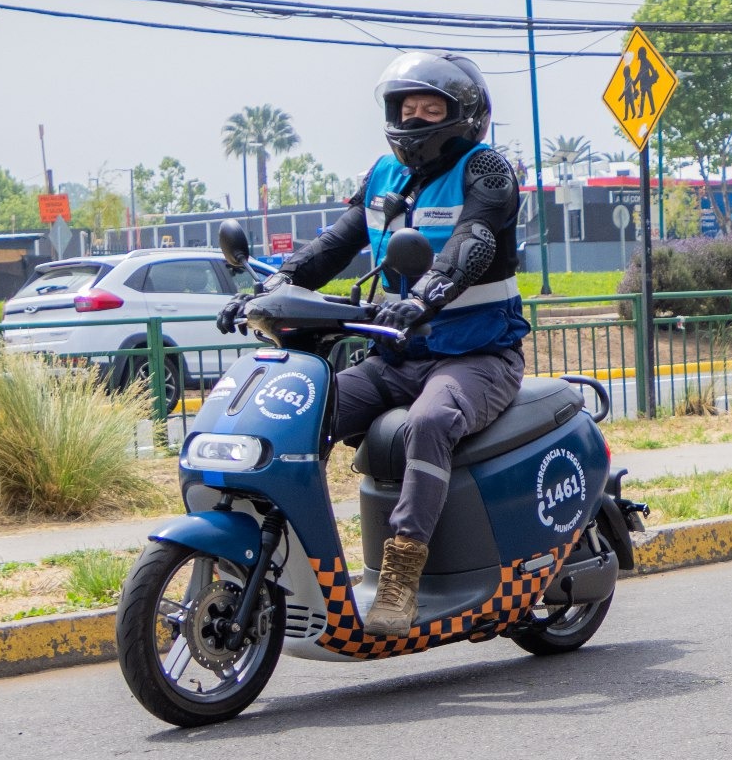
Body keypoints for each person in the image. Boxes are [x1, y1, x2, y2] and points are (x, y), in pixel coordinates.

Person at [221, 51, 527, 633]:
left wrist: (424, 296)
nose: (413, 119)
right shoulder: (382, 175)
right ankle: (272, 552)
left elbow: (473, 243)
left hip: (477, 355)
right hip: (397, 353)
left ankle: (401, 579)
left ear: (462, 115)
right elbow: (333, 247)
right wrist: (272, 286)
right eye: (404, 108)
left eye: (428, 108)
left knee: (430, 422)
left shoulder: (486, 171)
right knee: (307, 408)